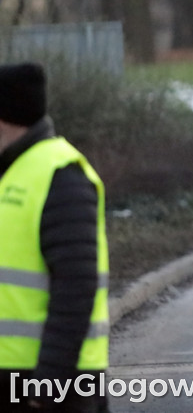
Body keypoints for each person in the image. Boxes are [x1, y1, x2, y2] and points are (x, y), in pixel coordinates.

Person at [0, 63, 110, 412]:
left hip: (54, 387)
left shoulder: (61, 176)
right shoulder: (10, 171)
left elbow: (75, 289)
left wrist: (47, 388)